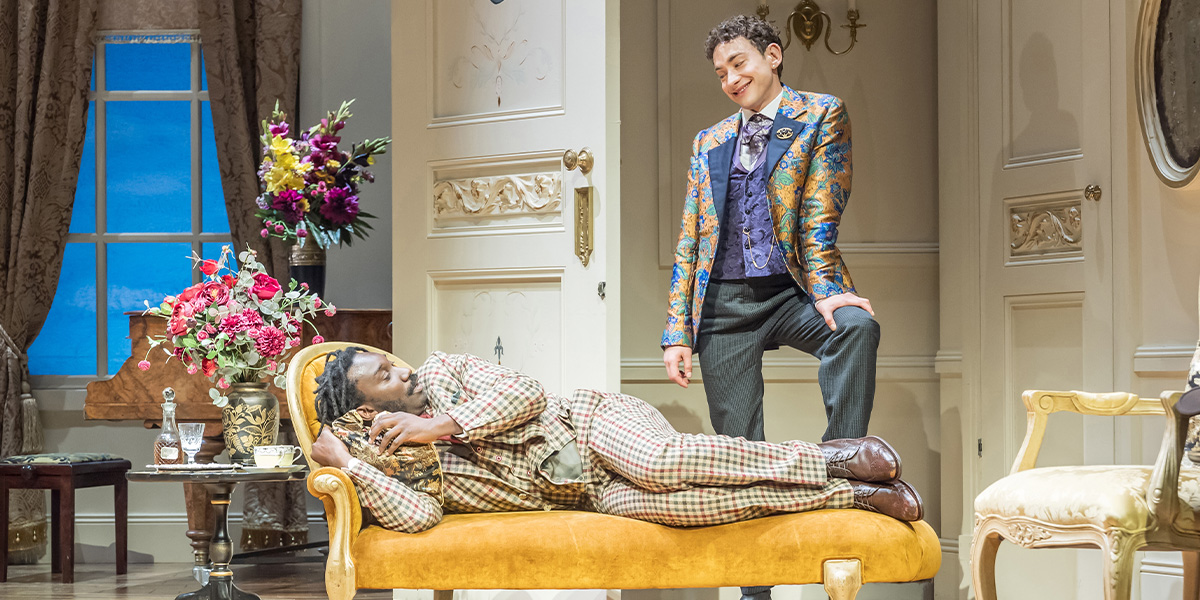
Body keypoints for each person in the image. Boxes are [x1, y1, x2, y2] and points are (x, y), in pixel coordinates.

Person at [307, 347, 922, 536]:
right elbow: (418, 517)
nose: (402, 371)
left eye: (391, 361)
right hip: (586, 495)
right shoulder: (393, 462)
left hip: (592, 425)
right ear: (365, 406)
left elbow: (528, 393)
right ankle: (848, 494)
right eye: (384, 377)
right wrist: (349, 466)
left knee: (661, 462)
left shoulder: (444, 371)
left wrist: (437, 424)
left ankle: (826, 454)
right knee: (687, 507)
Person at [661, 15, 879, 446]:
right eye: (721, 74)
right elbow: (690, 239)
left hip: (792, 291)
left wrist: (825, 289)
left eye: (740, 64)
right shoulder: (710, 140)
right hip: (725, 303)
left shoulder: (820, 114)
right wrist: (677, 332)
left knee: (856, 327)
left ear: (773, 56)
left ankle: (843, 460)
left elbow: (821, 211)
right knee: (741, 452)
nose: (731, 80)